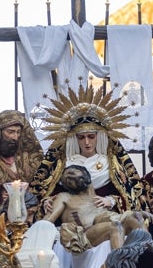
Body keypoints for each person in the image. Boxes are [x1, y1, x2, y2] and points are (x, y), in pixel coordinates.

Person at [31, 84, 144, 216]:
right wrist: (47, 201)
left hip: (103, 215)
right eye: (81, 137)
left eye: (91, 137)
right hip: (71, 217)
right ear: (74, 139)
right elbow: (47, 191)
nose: (86, 142)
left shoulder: (111, 163)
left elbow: (128, 194)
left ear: (99, 137)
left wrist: (111, 200)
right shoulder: (63, 164)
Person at [43, 165, 149, 251]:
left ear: (86, 174)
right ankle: (119, 267)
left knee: (135, 218)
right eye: (66, 179)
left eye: (71, 173)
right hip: (86, 235)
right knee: (115, 227)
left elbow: (128, 201)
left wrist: (112, 202)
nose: (70, 179)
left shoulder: (104, 200)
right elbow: (45, 223)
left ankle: (149, 258)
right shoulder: (65, 197)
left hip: (113, 223)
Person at [0, 110, 44, 213]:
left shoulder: (31, 159)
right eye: (10, 132)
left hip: (31, 215)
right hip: (0, 219)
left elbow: (43, 187)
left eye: (18, 132)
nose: (15, 137)